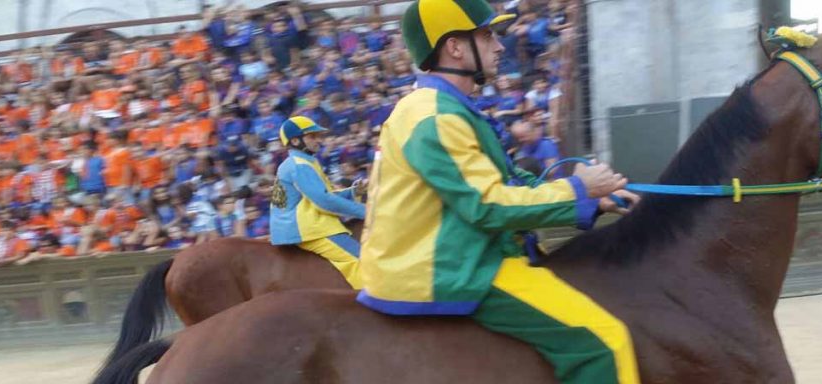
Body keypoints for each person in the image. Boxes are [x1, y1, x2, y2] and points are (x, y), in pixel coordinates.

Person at [356, 2, 640, 384]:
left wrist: (591, 199)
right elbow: (488, 205)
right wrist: (578, 188)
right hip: (446, 269)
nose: (500, 46)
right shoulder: (434, 115)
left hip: (449, 255)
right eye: (487, 35)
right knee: (606, 342)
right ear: (454, 47)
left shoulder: (443, 107)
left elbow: (506, 181)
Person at [269, 116, 366, 288]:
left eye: (317, 136)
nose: (318, 141)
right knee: (362, 259)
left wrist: (353, 192)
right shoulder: (300, 165)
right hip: (307, 228)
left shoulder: (301, 162)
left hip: (305, 223)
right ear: (296, 140)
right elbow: (324, 201)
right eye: (312, 137)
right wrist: (365, 211)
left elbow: (325, 195)